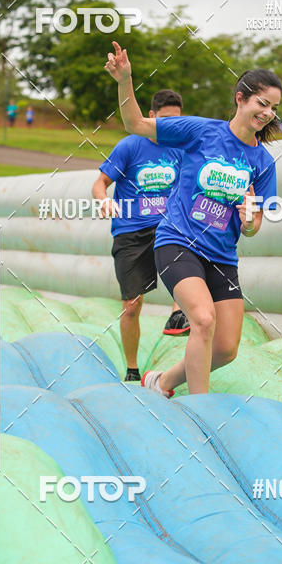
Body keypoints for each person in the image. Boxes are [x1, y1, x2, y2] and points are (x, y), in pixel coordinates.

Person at [104, 41, 281, 396]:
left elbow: (255, 226)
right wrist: (125, 80)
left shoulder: (263, 163)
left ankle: (162, 381)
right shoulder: (201, 131)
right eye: (262, 103)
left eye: (274, 108)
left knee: (227, 348)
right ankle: (200, 410)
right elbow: (135, 123)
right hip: (178, 242)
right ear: (240, 98)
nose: (267, 114)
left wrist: (249, 220)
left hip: (222, 257)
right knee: (202, 319)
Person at [91, 89, 191, 383]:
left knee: (186, 252)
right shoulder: (129, 146)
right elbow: (100, 183)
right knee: (132, 306)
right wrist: (103, 200)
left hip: (167, 227)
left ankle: (178, 312)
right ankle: (133, 368)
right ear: (151, 116)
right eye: (165, 120)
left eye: (176, 121)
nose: (170, 127)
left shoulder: (182, 149)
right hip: (131, 231)